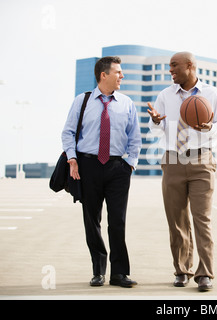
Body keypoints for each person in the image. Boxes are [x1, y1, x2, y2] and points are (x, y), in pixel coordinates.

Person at [147, 52, 217, 291]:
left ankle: (205, 274)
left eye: (174, 66)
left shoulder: (212, 94)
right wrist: (155, 122)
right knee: (176, 221)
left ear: (190, 66)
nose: (170, 70)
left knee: (201, 219)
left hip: (201, 160)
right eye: (169, 67)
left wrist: (209, 128)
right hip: (172, 161)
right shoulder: (165, 95)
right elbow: (158, 130)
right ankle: (182, 270)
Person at [62, 56, 142, 287]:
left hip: (118, 167)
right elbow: (67, 132)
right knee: (92, 220)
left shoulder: (126, 103)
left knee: (118, 221)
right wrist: (72, 158)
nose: (122, 76)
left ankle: (119, 273)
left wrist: (131, 163)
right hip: (88, 166)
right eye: (118, 72)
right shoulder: (82, 101)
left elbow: (134, 137)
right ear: (103, 75)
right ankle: (98, 271)